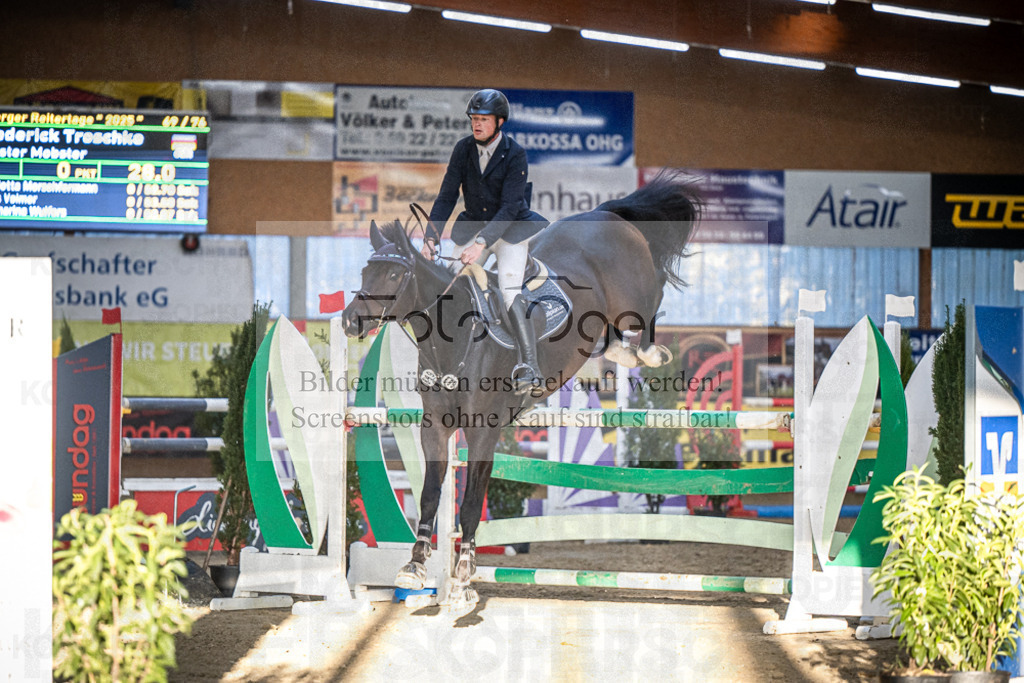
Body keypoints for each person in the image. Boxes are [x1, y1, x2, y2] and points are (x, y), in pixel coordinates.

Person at [422, 89, 547, 393]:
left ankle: (529, 365)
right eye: (473, 119)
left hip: (509, 230)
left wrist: (481, 242)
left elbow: (510, 207)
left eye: (483, 120)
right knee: (451, 285)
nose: (476, 125)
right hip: (474, 226)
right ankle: (442, 361)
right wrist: (431, 236)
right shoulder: (463, 149)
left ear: (499, 121)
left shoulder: (515, 153)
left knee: (508, 287)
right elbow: (447, 196)